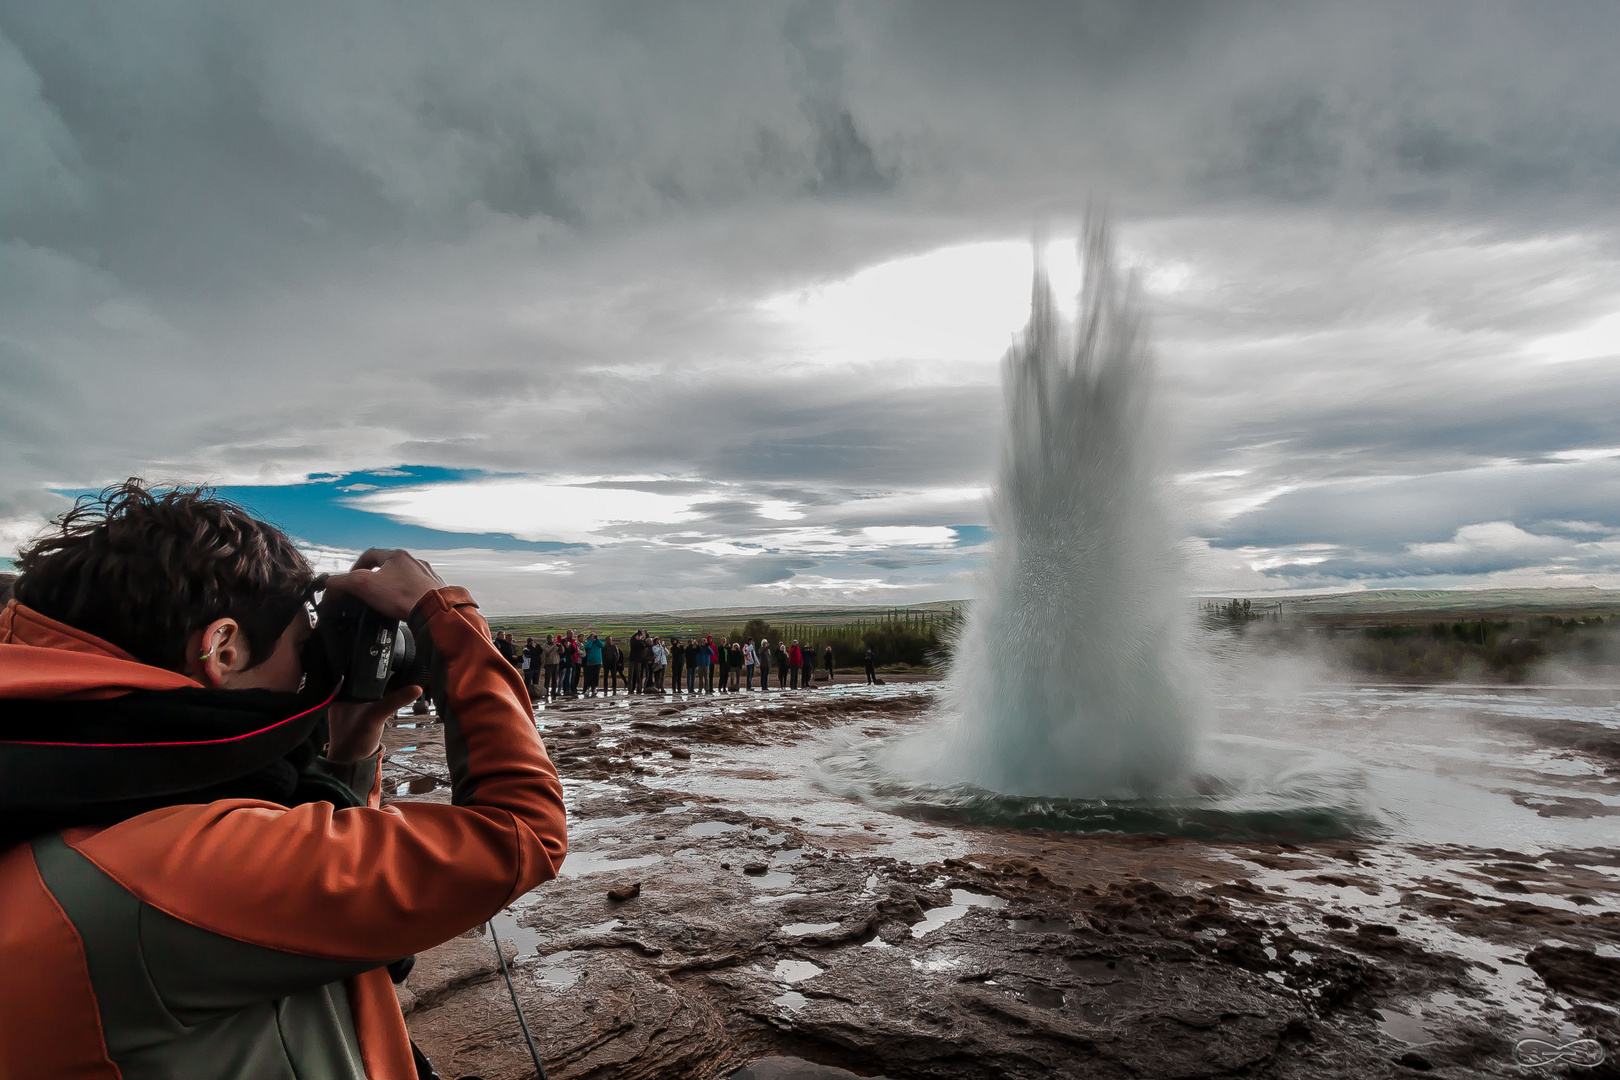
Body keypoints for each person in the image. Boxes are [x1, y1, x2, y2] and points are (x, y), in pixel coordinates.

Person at [0, 480, 567, 1078]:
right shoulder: (164, 867)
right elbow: (522, 833)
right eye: (303, 644)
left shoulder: (57, 768)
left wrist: (351, 741)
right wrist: (447, 618)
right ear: (222, 649)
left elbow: (304, 865)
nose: (308, 669)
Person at [583, 632, 604, 696]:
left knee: (596, 676)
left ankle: (594, 688)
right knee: (589, 676)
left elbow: (602, 645)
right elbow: (587, 646)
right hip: (590, 662)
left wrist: (597, 639)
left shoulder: (597, 643)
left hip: (598, 661)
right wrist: (591, 640)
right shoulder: (589, 643)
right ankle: (587, 689)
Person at [543, 633, 561, 699]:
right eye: (550, 638)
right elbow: (547, 652)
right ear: (548, 639)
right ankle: (546, 691)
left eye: (552, 638)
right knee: (547, 679)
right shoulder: (546, 646)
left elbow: (562, 651)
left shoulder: (556, 645)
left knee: (555, 678)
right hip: (549, 664)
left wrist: (560, 646)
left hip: (556, 663)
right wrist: (553, 647)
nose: (551, 639)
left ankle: (553, 691)